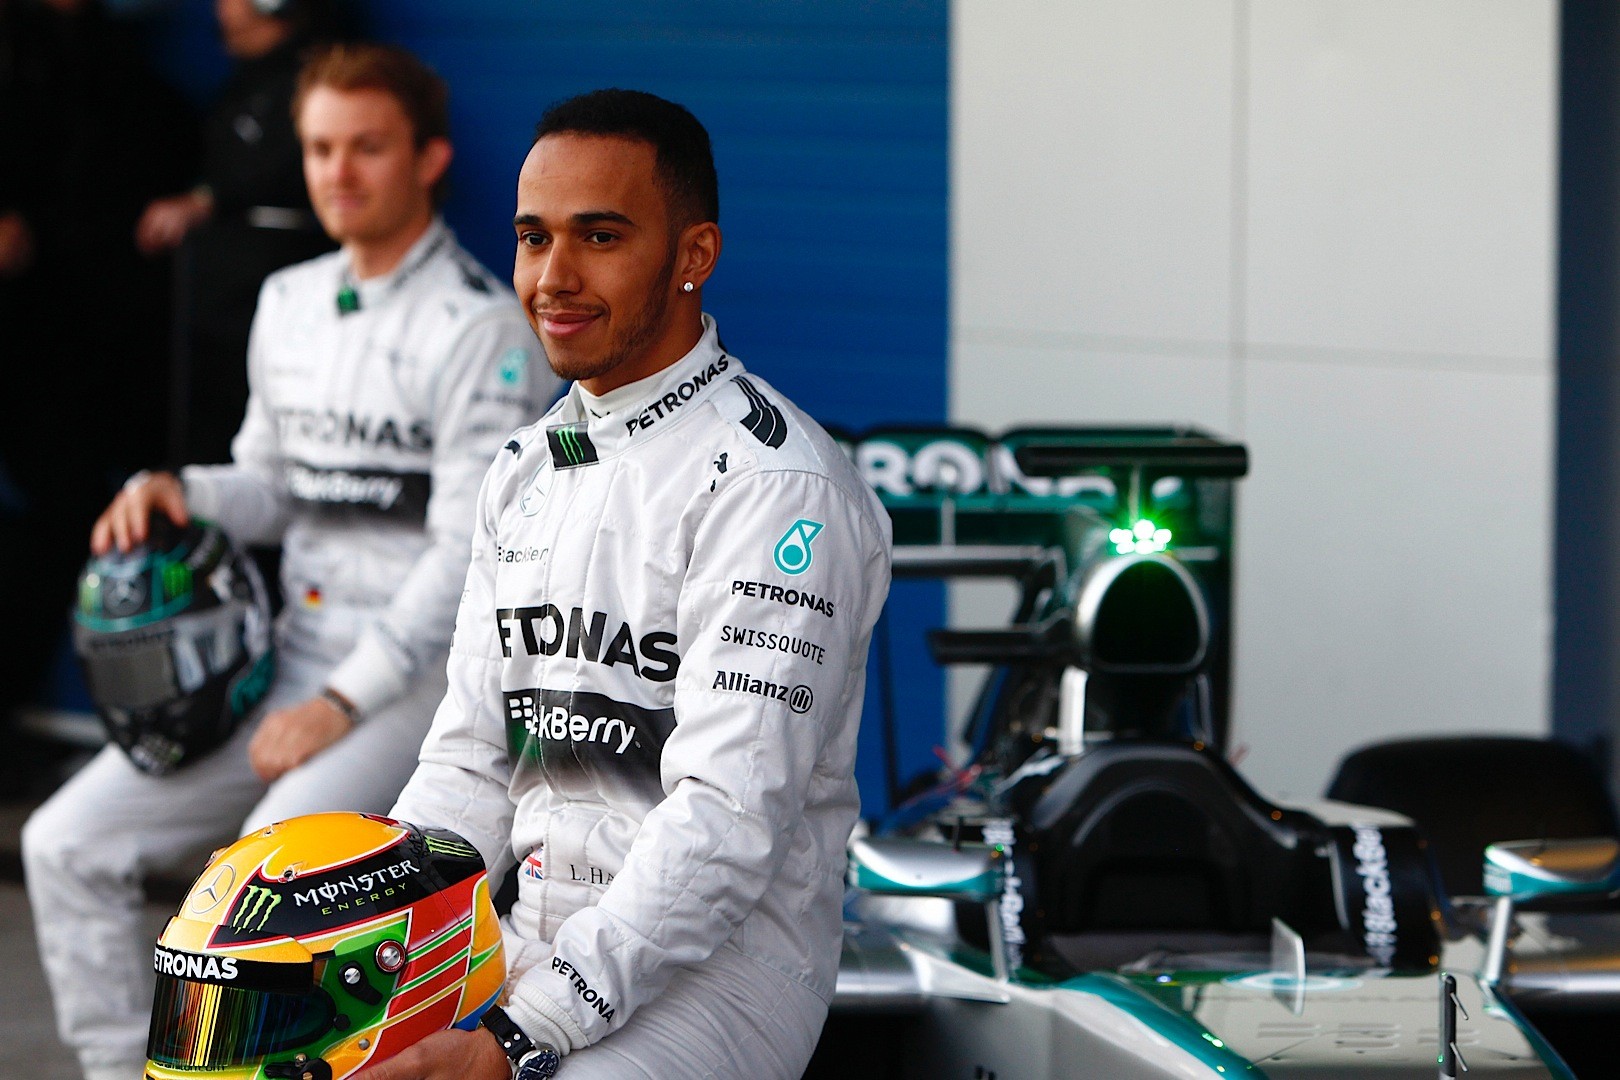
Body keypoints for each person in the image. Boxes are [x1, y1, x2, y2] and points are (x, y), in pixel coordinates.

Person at [21, 43, 554, 1080]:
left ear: (430, 159)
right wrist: (181, 487)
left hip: (413, 681)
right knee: (64, 844)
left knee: (263, 909)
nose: (338, 172)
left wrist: (340, 705)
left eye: (367, 147)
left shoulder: (485, 328)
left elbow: (467, 555)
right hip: (285, 660)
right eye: (319, 149)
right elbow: (270, 484)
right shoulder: (291, 300)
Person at [372, 90, 893, 1080]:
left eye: (600, 237)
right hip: (527, 939)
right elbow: (472, 759)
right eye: (533, 238)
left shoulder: (777, 485)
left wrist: (522, 1032)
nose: (553, 278)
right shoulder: (525, 465)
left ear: (694, 255)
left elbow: (727, 817)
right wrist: (380, 938)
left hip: (726, 977)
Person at [135, 0, 343, 465]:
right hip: (216, 304)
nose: (219, 10)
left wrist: (208, 199)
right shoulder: (239, 85)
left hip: (263, 292)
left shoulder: (313, 80)